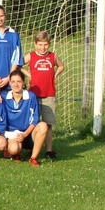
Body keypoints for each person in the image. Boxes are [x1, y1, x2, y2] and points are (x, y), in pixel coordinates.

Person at [23, 31, 64, 160]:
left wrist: (55, 75)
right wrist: (28, 74)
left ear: (49, 45)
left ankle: (49, 150)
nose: (43, 47)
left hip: (49, 95)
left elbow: (61, 66)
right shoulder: (30, 56)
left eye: (45, 45)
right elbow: (18, 66)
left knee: (48, 124)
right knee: (33, 123)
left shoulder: (53, 56)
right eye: (40, 44)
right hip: (33, 95)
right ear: (35, 44)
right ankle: (32, 148)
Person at [3, 69, 48, 167]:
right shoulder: (3, 97)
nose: (16, 84)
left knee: (43, 126)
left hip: (28, 133)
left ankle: (33, 158)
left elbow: (35, 119)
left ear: (23, 83)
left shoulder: (31, 96)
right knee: (14, 149)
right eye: (13, 81)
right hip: (13, 134)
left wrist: (24, 134)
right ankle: (16, 152)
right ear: (9, 83)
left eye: (19, 81)